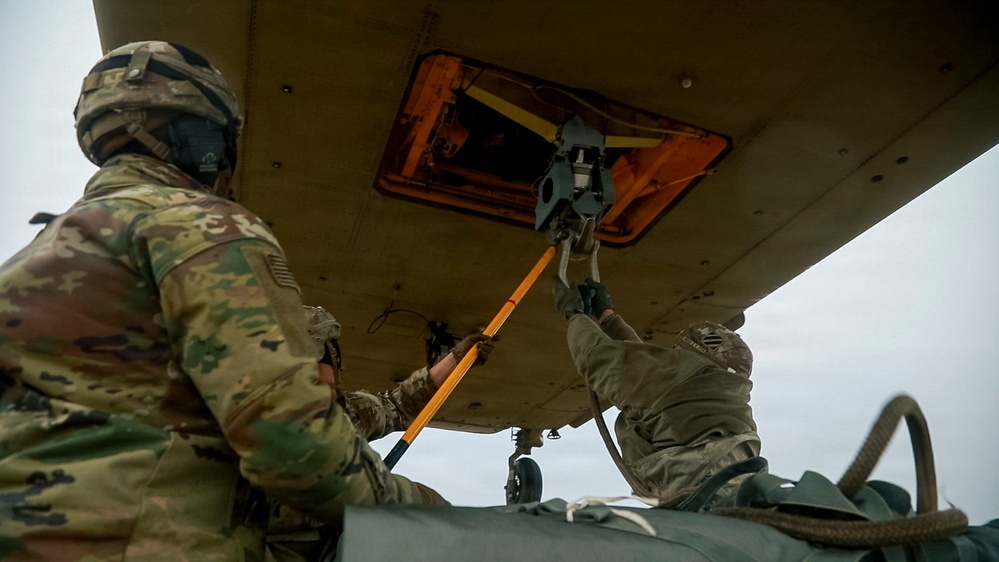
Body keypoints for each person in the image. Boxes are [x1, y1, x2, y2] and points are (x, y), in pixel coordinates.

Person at [0, 41, 440, 561]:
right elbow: (295, 448)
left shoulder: (35, 258)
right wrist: (435, 518)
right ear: (201, 138)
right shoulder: (201, 226)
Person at [264, 306, 497, 560]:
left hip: (332, 548)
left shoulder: (349, 413)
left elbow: (399, 405)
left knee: (429, 507)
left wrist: (456, 359)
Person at [553, 276, 760, 507]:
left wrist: (574, 314)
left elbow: (599, 358)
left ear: (691, 356)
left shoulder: (680, 382)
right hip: (742, 501)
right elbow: (647, 368)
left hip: (704, 503)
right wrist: (608, 317)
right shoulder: (727, 397)